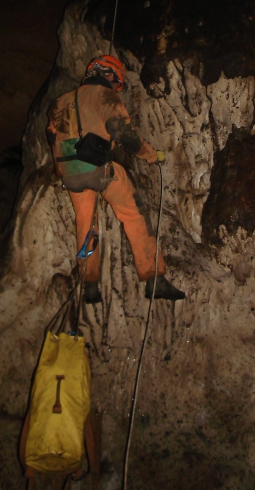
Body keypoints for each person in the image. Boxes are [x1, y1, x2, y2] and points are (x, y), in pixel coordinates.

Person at [46, 55, 185, 304]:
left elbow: (51, 133)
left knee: (86, 224)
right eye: (116, 81)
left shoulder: (60, 102)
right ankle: (154, 278)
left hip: (69, 173)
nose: (115, 87)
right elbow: (123, 133)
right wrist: (151, 155)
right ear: (109, 75)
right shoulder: (104, 96)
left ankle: (90, 286)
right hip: (98, 169)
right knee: (133, 212)